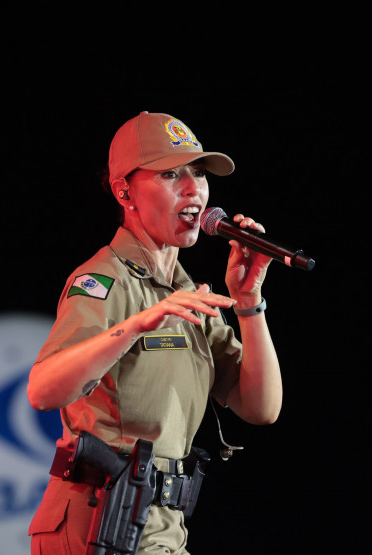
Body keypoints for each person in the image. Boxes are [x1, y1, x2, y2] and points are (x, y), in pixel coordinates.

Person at [26, 111, 283, 554]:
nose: (193, 188)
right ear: (124, 190)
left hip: (158, 526)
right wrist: (137, 324)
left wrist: (247, 302)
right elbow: (43, 391)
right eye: (170, 174)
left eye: (198, 173)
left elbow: (260, 407)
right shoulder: (102, 281)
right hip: (97, 525)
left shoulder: (186, 293)